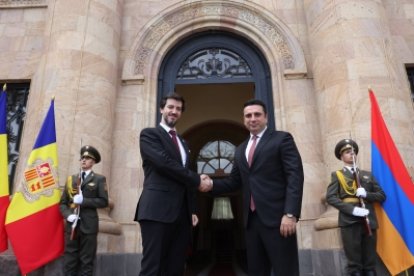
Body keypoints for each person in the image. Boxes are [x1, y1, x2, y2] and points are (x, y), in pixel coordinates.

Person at [199, 99, 304, 276]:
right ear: (244, 119)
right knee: (256, 271)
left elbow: (295, 177)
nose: (252, 119)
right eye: (248, 115)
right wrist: (208, 184)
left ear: (266, 117)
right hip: (251, 222)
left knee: (285, 270)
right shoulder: (240, 149)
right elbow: (233, 181)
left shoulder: (282, 139)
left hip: (279, 219)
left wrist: (290, 213)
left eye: (257, 115)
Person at [134, 93, 210, 276]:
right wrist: (197, 179)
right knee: (153, 267)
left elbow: (185, 179)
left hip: (181, 215)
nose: (174, 112)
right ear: (162, 109)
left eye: (178, 109)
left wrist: (191, 209)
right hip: (157, 211)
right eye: (170, 107)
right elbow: (164, 163)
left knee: (176, 267)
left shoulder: (183, 143)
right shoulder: (149, 134)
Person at [326, 139, 386, 276]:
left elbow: (381, 195)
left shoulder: (367, 175)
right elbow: (331, 197)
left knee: (370, 265)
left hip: (369, 220)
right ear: (341, 157)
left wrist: (367, 194)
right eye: (347, 152)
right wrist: (352, 209)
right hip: (349, 220)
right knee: (354, 266)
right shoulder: (338, 175)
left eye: (353, 152)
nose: (351, 154)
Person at [60, 145, 109, 276]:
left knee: (86, 261)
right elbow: (63, 203)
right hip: (72, 226)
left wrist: (84, 201)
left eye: (87, 158)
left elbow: (103, 201)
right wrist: (68, 216)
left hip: (89, 226)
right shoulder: (72, 179)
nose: (84, 160)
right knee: (69, 260)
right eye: (82, 158)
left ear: (93, 162)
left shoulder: (99, 179)